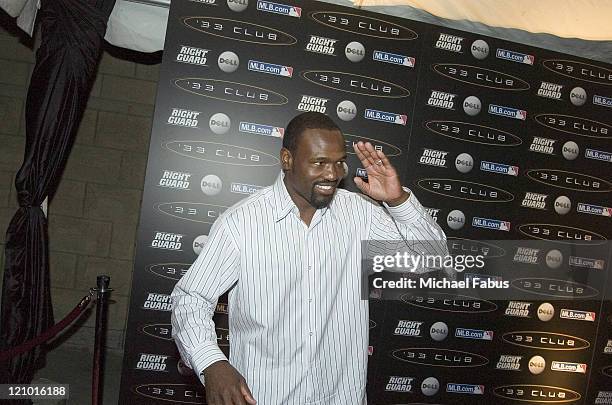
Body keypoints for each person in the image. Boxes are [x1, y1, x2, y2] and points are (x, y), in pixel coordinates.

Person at [171, 112, 449, 405]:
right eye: (319, 162)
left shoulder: (359, 215)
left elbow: (432, 259)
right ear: (287, 159)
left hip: (341, 397)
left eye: (339, 161)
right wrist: (211, 363)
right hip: (265, 396)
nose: (332, 174)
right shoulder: (241, 223)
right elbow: (192, 298)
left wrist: (397, 200)